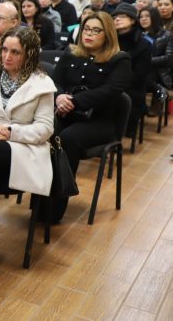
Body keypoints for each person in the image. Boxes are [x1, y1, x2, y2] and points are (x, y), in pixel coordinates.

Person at [0, 27, 56, 277]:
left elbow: (45, 128)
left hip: (22, 149)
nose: (7, 56)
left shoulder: (42, 84)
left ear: (29, 54)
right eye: (4, 49)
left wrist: (10, 132)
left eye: (15, 52)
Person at [52, 12, 131, 220]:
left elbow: (111, 91)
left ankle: (54, 208)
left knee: (66, 138)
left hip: (100, 122)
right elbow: (54, 81)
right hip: (67, 115)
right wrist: (59, 97)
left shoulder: (119, 59)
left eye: (96, 30)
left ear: (108, 34)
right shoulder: (71, 53)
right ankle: (40, 201)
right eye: (86, 29)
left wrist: (73, 101)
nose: (89, 34)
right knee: (46, 132)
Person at [112, 3, 151, 136]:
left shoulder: (143, 44)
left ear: (133, 20)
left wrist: (114, 83)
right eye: (115, 17)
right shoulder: (109, 40)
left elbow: (139, 75)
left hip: (131, 89)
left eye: (122, 16)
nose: (117, 19)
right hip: (108, 83)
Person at [139, 7, 173, 115]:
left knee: (142, 77)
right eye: (141, 17)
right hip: (139, 67)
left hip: (158, 70)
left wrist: (147, 60)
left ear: (154, 18)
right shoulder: (137, 33)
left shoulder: (166, 35)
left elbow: (168, 58)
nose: (143, 19)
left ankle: (158, 92)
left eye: (147, 16)